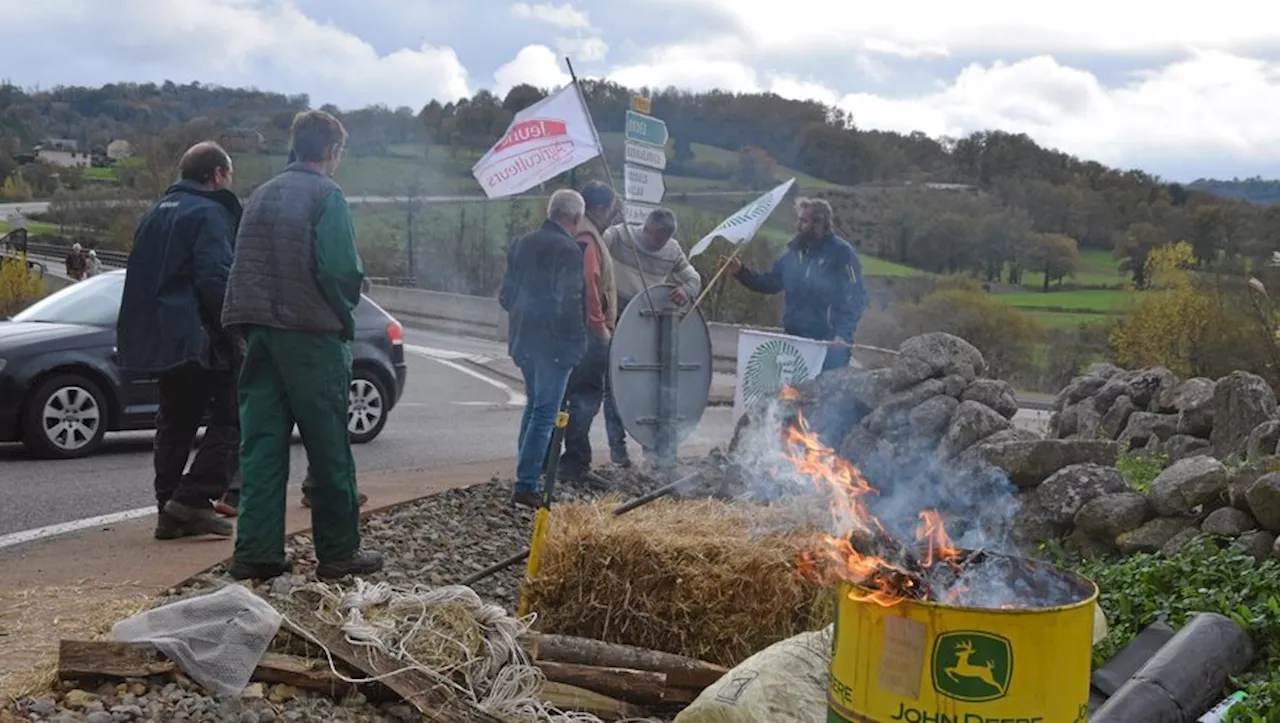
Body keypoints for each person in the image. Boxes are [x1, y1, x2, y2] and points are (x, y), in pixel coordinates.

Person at [221, 109, 381, 581]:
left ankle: (256, 553)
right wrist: (344, 313)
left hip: (257, 334)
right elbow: (340, 270)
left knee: (263, 446)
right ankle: (338, 552)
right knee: (329, 445)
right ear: (332, 152)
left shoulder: (260, 195)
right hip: (311, 336)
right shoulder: (327, 195)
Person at [116, 141, 242, 540]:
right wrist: (234, 330)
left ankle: (167, 510)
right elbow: (214, 277)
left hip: (162, 336)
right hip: (200, 336)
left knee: (175, 421)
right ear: (218, 175)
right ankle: (192, 499)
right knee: (235, 416)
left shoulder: (154, 214)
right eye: (229, 175)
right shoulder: (209, 213)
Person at [499, 189, 588, 508]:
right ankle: (525, 486)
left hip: (524, 340)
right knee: (544, 413)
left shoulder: (522, 243)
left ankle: (525, 475)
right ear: (575, 217)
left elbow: (505, 296)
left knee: (533, 407)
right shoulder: (568, 250)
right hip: (553, 345)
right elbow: (569, 303)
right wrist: (577, 344)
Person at [598, 208, 701, 467]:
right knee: (614, 387)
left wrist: (686, 290)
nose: (654, 242)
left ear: (667, 237)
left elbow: (693, 278)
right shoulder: (620, 236)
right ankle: (618, 451)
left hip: (646, 326)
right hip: (615, 317)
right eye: (651, 235)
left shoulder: (672, 251)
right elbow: (596, 248)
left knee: (647, 387)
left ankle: (652, 449)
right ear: (646, 227)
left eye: (660, 239)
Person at [721, 197, 866, 371]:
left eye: (804, 221)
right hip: (794, 340)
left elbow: (855, 298)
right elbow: (770, 282)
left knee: (824, 397)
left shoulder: (842, 254)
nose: (798, 225)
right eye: (799, 220)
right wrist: (740, 272)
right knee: (793, 395)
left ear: (820, 223)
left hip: (828, 346)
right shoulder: (793, 253)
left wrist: (843, 334)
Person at [557, 181, 618, 483]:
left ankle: (551, 458)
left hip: (572, 331)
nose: (611, 214)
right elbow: (589, 285)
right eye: (610, 208)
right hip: (587, 333)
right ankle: (576, 463)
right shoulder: (588, 236)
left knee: (564, 397)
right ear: (599, 208)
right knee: (585, 397)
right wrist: (600, 328)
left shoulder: (579, 231)